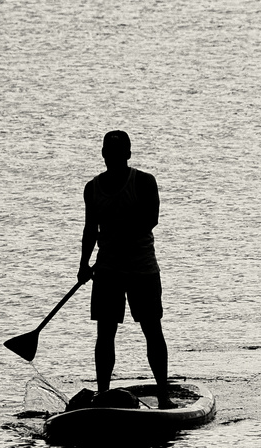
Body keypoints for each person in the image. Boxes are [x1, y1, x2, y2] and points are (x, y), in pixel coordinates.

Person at [78, 130, 174, 410]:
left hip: (142, 269)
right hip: (107, 271)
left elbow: (150, 220)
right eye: (109, 153)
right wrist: (83, 265)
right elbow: (89, 229)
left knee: (152, 329)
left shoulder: (144, 182)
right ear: (103, 154)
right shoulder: (92, 188)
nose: (114, 157)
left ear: (128, 155)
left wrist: (117, 236)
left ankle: (163, 395)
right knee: (105, 333)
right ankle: (103, 395)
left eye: (119, 153)